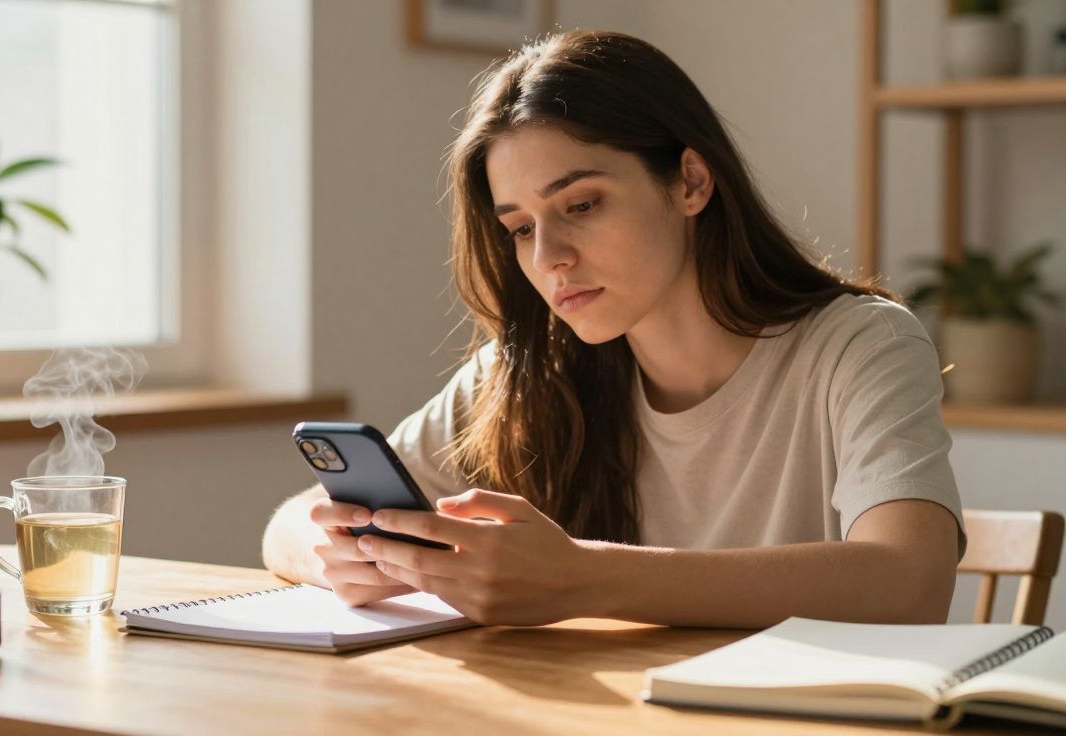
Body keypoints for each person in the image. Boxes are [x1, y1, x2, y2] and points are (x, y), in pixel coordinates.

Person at [261, 30, 963, 628]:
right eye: (520, 228)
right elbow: (288, 522)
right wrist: (343, 555)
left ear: (690, 182)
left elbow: (911, 581)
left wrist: (584, 579)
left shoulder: (860, 346)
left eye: (583, 204)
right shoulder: (528, 369)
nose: (549, 257)